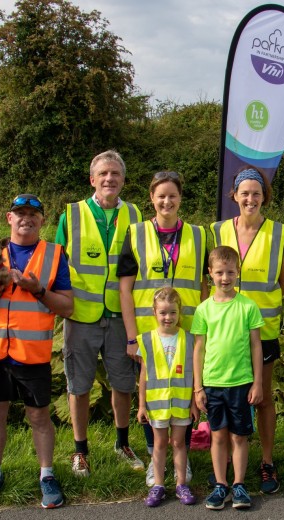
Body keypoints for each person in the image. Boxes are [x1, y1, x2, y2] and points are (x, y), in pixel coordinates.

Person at [0, 194, 74, 509]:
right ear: (9, 218)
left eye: (33, 214)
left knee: (39, 416)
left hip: (32, 352)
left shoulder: (54, 255)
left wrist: (38, 289)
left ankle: (47, 475)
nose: (26, 219)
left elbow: (68, 306)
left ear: (42, 221)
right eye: (20, 213)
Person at [55, 150, 144, 477]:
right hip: (80, 316)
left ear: (122, 180)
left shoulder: (135, 215)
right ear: (92, 179)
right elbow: (57, 266)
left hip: (122, 317)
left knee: (123, 384)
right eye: (103, 174)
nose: (109, 179)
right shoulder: (72, 214)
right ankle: (80, 451)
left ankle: (122, 445)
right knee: (78, 385)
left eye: (115, 174)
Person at [117, 171, 208, 486]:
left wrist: (204, 331)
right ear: (152, 199)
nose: (166, 201)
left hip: (188, 335)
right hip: (148, 335)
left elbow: (204, 284)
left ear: (180, 198)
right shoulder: (136, 233)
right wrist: (132, 337)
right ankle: (155, 463)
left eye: (172, 195)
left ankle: (183, 463)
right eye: (160, 196)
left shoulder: (199, 234)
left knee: (184, 395)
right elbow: (125, 290)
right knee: (152, 397)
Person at [210, 166, 284, 494]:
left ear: (264, 197)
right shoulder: (216, 232)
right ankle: (226, 466)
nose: (250, 198)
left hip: (263, 332)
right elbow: (208, 281)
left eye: (256, 193)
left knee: (262, 398)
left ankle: (267, 462)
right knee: (226, 399)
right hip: (224, 333)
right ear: (234, 196)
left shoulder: (278, 233)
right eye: (244, 193)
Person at [193, 246, 264, 510]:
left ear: (238, 273)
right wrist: (198, 387)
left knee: (239, 436)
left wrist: (257, 382)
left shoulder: (248, 306)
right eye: (219, 273)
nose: (225, 278)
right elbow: (199, 348)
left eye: (230, 272)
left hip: (241, 383)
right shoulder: (203, 310)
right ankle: (220, 485)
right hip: (212, 384)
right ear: (210, 273)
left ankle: (239, 485)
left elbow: (256, 345)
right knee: (218, 436)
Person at [137, 287, 197, 507]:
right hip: (156, 405)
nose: (168, 317)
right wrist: (141, 405)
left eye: (172, 312)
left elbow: (193, 373)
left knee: (179, 443)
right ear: (154, 312)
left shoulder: (189, 339)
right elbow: (143, 375)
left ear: (179, 312)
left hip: (181, 403)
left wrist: (193, 402)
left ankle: (181, 484)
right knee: (160, 443)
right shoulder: (146, 340)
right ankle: (159, 485)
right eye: (163, 312)